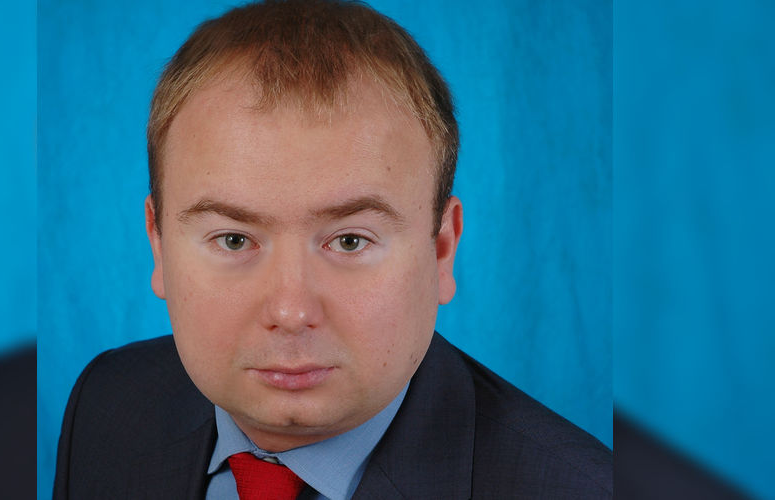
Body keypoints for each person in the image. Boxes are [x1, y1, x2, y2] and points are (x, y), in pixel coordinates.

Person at [53, 1, 611, 498]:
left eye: (349, 241)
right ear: (158, 243)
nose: (291, 312)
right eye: (233, 239)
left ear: (442, 249)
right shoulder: (107, 405)